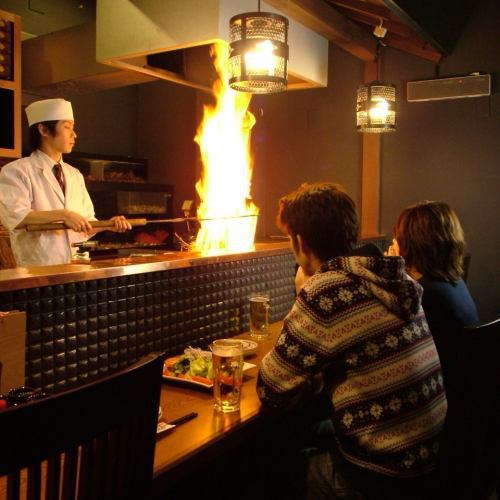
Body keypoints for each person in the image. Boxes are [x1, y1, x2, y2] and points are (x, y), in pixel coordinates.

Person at [257, 183, 447, 499]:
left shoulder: (327, 291)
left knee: (266, 469)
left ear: (300, 242)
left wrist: (303, 292)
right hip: (428, 458)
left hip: (382, 476)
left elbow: (271, 388)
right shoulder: (393, 278)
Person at [0, 98, 131, 267]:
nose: (74, 135)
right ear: (44, 130)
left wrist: (108, 225)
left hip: (76, 267)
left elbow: (85, 224)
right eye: (67, 127)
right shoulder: (16, 171)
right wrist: (64, 214)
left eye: (73, 128)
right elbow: (15, 217)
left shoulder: (74, 174)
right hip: (37, 272)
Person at [388, 201, 480, 394]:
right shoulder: (454, 284)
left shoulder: (427, 297)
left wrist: (394, 271)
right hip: (460, 392)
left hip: (436, 399)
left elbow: (395, 355)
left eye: (397, 238)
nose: (393, 243)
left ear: (411, 243)